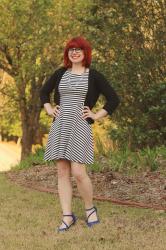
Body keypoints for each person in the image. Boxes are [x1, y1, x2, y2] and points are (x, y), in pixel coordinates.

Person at [40, 36, 120, 232]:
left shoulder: (93, 75)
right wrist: (49, 109)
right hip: (60, 125)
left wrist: (95, 115)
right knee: (62, 171)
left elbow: (113, 99)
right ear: (67, 53)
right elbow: (44, 92)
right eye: (71, 49)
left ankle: (89, 209)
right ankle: (67, 216)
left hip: (80, 125)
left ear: (85, 53)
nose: (74, 52)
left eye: (78, 49)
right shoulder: (60, 73)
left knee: (78, 172)